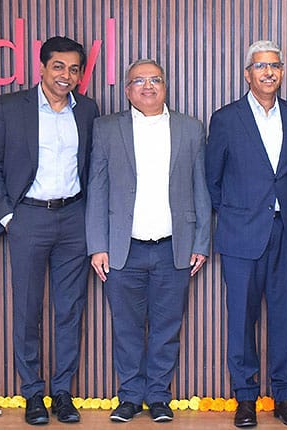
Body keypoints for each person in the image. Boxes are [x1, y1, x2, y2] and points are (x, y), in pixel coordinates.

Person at [85, 59, 211, 423]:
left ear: (165, 87)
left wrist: (201, 242)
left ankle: (158, 396)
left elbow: (200, 189)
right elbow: (97, 188)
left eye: (155, 79)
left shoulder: (190, 128)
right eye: (139, 81)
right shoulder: (107, 128)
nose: (148, 86)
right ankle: (129, 396)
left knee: (166, 328)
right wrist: (97, 245)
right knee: (125, 328)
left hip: (175, 246)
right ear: (127, 91)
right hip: (123, 248)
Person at [0, 36, 99, 425]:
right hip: (28, 217)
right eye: (58, 66)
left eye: (74, 69)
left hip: (74, 218)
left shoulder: (87, 110)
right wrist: (7, 215)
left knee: (70, 309)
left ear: (80, 74)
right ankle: (33, 392)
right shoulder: (9, 107)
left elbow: (92, 165)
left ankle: (62, 392)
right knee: (27, 310)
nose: (66, 75)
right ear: (42, 68)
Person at [206, 40, 287, 428]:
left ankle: (285, 396)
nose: (268, 72)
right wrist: (238, 214)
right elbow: (212, 180)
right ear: (247, 74)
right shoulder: (226, 118)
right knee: (241, 320)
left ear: (282, 72)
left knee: (285, 319)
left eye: (275, 65)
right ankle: (245, 398)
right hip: (241, 235)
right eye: (260, 66)